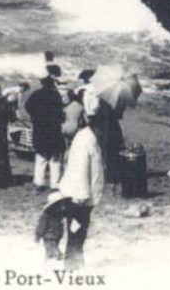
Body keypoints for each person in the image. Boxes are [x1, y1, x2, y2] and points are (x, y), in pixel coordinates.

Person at [57, 107, 104, 270]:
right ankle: (72, 267)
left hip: (82, 197)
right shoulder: (85, 140)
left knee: (79, 232)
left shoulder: (89, 137)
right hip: (78, 197)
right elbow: (80, 169)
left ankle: (76, 263)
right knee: (76, 233)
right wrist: (81, 196)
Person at [26, 74, 66, 192]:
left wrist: (35, 116)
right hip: (54, 130)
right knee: (55, 158)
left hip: (40, 129)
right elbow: (60, 112)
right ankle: (55, 184)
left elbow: (28, 107)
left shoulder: (36, 95)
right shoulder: (56, 95)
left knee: (41, 157)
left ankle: (39, 182)